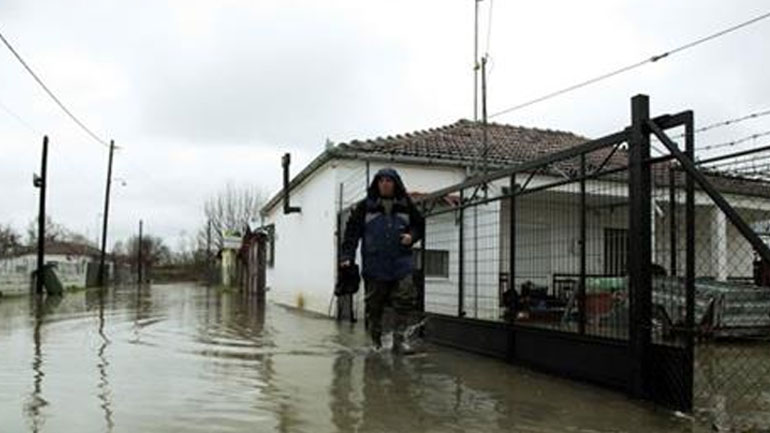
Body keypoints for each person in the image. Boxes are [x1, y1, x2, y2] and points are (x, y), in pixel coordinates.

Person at [340, 168, 425, 353]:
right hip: (375, 265)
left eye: (389, 180)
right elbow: (351, 234)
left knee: (405, 299)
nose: (385, 184)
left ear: (396, 183)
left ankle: (399, 341)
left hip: (401, 263)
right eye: (381, 181)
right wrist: (347, 257)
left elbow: (419, 225)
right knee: (374, 305)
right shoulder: (365, 207)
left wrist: (412, 236)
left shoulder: (406, 205)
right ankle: (376, 342)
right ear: (376, 184)